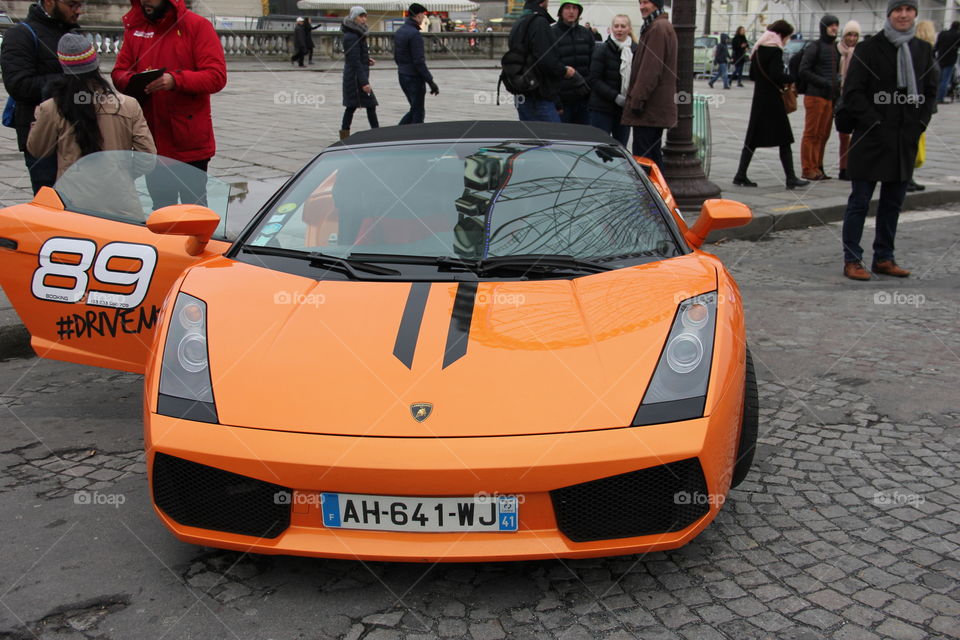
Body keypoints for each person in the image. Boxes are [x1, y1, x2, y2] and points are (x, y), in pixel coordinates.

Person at [839, 0, 937, 280]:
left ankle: (884, 256)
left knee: (892, 204)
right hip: (871, 139)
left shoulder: (922, 50)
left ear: (915, 14)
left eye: (908, 9)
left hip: (903, 140)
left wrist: (919, 124)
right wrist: (875, 122)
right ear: (889, 14)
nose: (903, 15)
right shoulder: (869, 49)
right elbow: (853, 92)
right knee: (859, 201)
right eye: (898, 9)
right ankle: (852, 259)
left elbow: (931, 92)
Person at [112, 0, 227, 208]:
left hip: (189, 141)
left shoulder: (197, 26)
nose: (145, 2)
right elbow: (119, 72)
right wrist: (134, 82)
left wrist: (175, 80)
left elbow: (216, 76)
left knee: (194, 208)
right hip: (152, 140)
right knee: (162, 207)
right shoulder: (137, 28)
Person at [26, 34, 155, 217]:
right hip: (121, 203)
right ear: (96, 64)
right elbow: (147, 157)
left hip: (72, 202)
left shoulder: (52, 108)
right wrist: (122, 174)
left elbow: (38, 150)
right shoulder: (128, 104)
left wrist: (39, 118)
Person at [0, 0, 80, 194]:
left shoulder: (72, 33)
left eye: (80, 4)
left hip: (79, 132)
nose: (78, 11)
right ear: (50, 2)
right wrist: (69, 80)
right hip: (43, 136)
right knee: (50, 202)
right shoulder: (21, 35)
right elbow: (19, 86)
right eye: (72, 5)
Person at [732, 20, 809, 190]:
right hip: (772, 101)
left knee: (752, 139)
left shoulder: (758, 48)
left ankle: (740, 174)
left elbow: (752, 75)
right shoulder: (774, 50)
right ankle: (791, 178)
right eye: (788, 37)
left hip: (759, 99)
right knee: (785, 139)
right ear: (782, 35)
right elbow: (776, 75)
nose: (787, 40)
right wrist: (792, 79)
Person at [621, 0, 677, 168]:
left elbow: (650, 70)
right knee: (652, 155)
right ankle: (658, 192)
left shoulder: (657, 28)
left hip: (648, 107)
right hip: (655, 107)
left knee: (644, 159)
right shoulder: (658, 26)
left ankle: (649, 194)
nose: (642, 7)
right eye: (640, 2)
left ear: (657, 4)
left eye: (646, 2)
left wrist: (637, 101)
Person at [507, 0, 575, 122]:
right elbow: (547, 59)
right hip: (538, 94)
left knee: (531, 138)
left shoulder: (520, 21)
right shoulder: (539, 22)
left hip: (522, 89)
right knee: (553, 137)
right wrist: (564, 71)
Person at [799, 14, 840, 181]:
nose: (835, 28)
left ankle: (817, 167)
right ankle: (808, 168)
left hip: (828, 97)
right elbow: (804, 70)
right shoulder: (815, 46)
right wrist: (823, 82)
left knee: (823, 134)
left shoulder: (833, 48)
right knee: (811, 134)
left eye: (836, 25)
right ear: (824, 27)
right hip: (815, 96)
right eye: (831, 25)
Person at [587, 14, 635, 146]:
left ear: (629, 29)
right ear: (611, 29)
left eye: (623, 26)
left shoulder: (634, 51)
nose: (619, 29)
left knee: (621, 148)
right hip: (601, 108)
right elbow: (594, 79)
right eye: (616, 26)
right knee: (600, 148)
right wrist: (616, 97)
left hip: (624, 110)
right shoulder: (601, 49)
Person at [394, 3, 439, 125]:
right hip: (414, 77)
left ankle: (403, 133)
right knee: (418, 111)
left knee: (415, 109)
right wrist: (430, 81)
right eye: (423, 15)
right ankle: (406, 134)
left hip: (402, 74)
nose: (424, 18)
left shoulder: (400, 32)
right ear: (418, 15)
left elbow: (396, 56)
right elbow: (419, 61)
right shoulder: (415, 35)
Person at [551, 0, 595, 125]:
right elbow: (550, 68)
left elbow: (594, 65)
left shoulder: (586, 33)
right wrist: (556, 100)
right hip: (563, 101)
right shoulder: (551, 33)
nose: (571, 11)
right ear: (561, 11)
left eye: (575, 8)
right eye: (568, 8)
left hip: (584, 99)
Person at [340, 6, 378, 139]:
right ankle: (376, 133)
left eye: (365, 16)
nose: (364, 19)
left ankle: (345, 134)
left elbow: (356, 57)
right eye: (361, 16)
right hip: (355, 77)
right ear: (353, 18)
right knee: (359, 105)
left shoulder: (357, 33)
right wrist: (364, 83)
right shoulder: (352, 36)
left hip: (356, 75)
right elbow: (354, 61)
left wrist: (366, 60)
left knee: (359, 106)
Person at [836, 20, 860, 181]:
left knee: (857, 137)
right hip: (840, 98)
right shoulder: (837, 50)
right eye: (849, 34)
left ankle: (853, 166)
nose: (852, 38)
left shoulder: (861, 52)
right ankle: (843, 168)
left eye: (855, 35)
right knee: (844, 136)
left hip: (856, 97)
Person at [934, 21, 960, 103]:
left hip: (940, 58)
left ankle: (934, 97)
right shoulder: (957, 35)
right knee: (945, 80)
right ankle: (940, 98)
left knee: (938, 79)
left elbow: (937, 46)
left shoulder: (942, 33)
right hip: (950, 60)